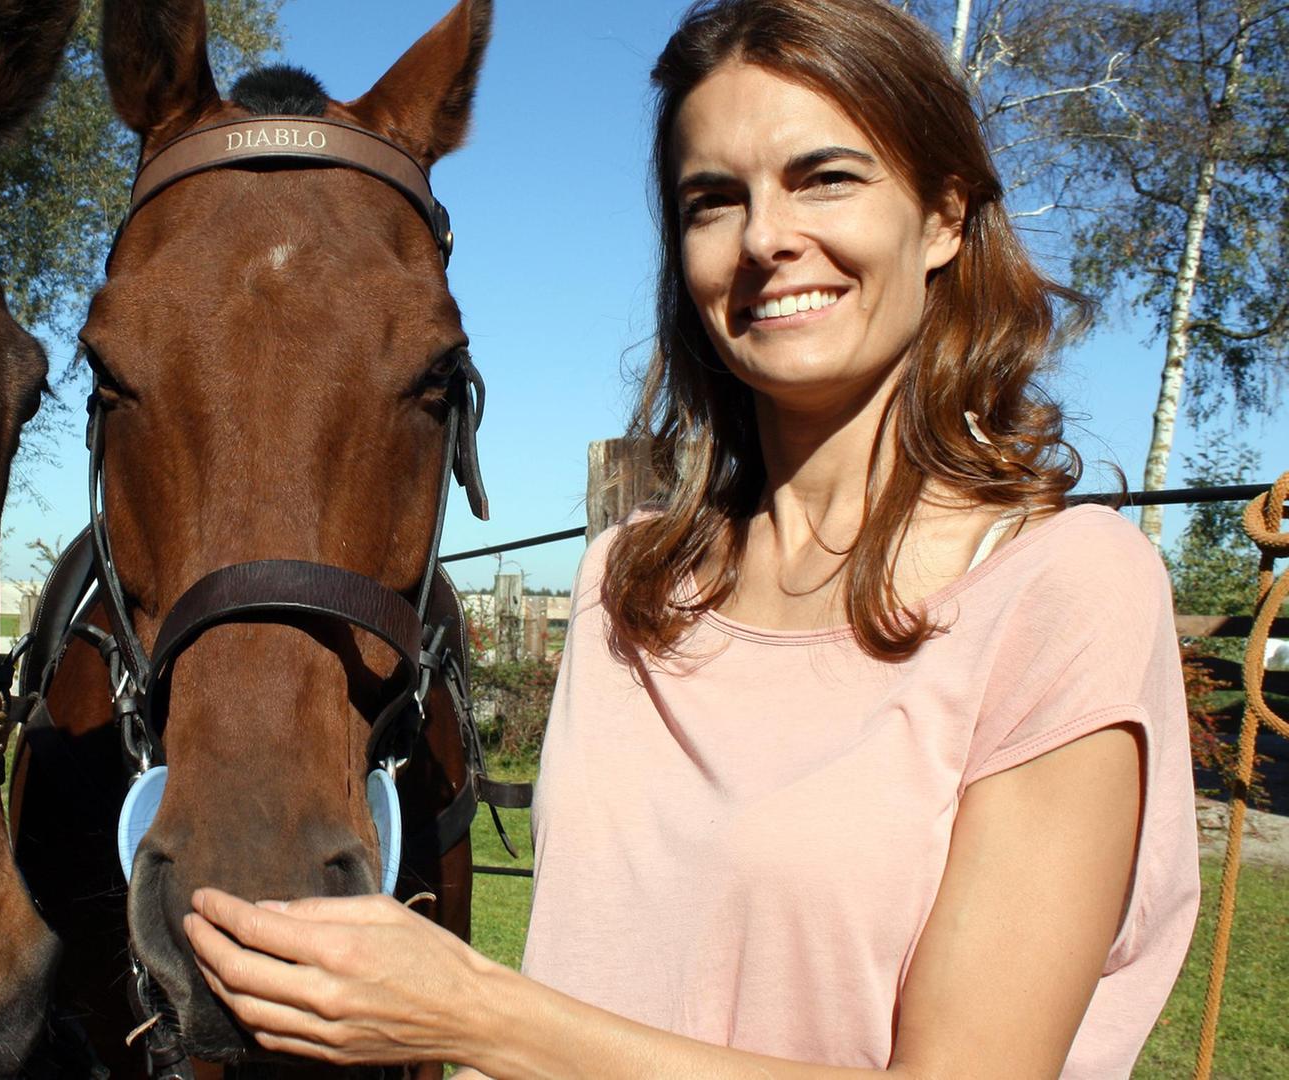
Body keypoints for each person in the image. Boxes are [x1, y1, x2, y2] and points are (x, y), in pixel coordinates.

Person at [179, 0, 1201, 1075]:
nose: (765, 239)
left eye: (827, 177)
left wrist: (475, 1014)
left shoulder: (1062, 590)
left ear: (945, 215)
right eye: (714, 200)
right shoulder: (630, 585)